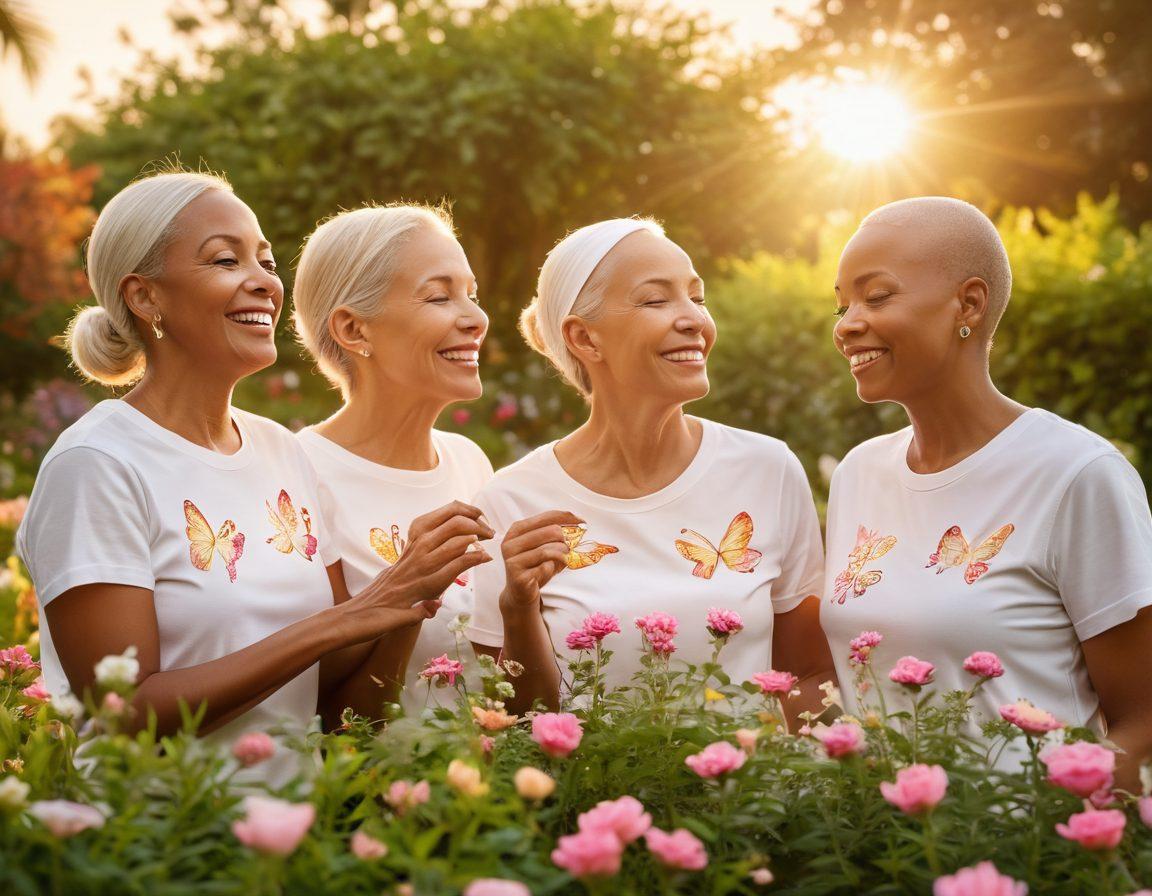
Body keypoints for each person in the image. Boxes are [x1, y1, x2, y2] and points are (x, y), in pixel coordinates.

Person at [17, 171, 490, 784]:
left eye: (266, 260)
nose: (265, 281)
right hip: (161, 852)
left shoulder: (279, 452)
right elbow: (123, 714)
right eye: (225, 259)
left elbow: (339, 710)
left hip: (292, 845)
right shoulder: (98, 464)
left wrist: (410, 593)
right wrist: (342, 620)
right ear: (145, 296)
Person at [823, 196, 1152, 782]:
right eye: (841, 303)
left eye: (876, 296)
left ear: (967, 303)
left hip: (1026, 858)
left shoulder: (1076, 473)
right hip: (874, 858)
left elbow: (1143, 723)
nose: (847, 323)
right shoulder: (858, 473)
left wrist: (1049, 836)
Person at [466, 218, 834, 720]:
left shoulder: (768, 469)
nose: (694, 320)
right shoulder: (511, 502)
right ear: (585, 339)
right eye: (656, 300)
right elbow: (507, 721)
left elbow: (811, 676)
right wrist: (517, 610)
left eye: (697, 298)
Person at [292, 205, 493, 715]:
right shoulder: (296, 474)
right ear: (354, 330)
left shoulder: (469, 463)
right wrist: (408, 595)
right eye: (439, 296)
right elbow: (327, 715)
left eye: (471, 293)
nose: (475, 319)